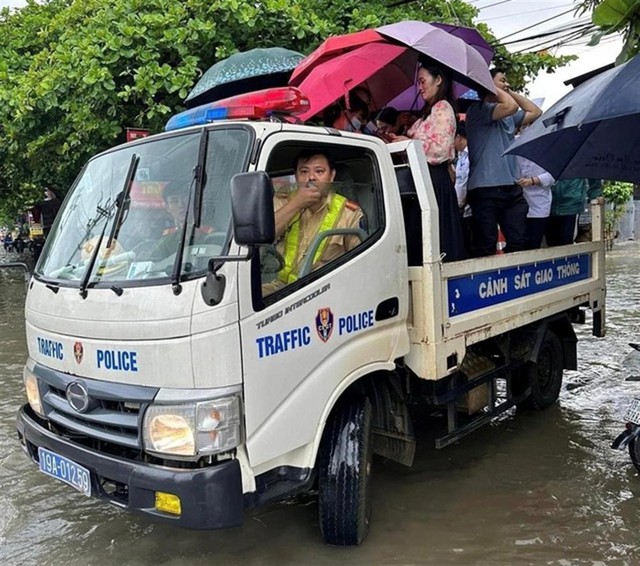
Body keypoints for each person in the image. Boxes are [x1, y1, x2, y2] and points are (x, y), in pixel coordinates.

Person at [387, 58, 466, 262]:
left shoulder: (442, 107)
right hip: (423, 180)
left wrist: (408, 142)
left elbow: (439, 149)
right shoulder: (429, 112)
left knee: (432, 239)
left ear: (438, 79)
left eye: (423, 81)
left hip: (432, 180)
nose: (420, 87)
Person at [465, 68, 542, 256]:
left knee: (518, 242)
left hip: (511, 187)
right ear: (488, 84)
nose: (506, 84)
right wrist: (489, 86)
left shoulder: (508, 116)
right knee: (486, 244)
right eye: (502, 80)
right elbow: (511, 106)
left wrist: (507, 90)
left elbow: (535, 111)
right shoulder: (477, 111)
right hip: (485, 189)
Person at [270, 149, 364, 288]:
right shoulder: (283, 200)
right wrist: (297, 203)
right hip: (282, 288)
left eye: (319, 171)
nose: (311, 178)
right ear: (296, 176)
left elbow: (361, 260)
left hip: (326, 288)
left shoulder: (349, 212)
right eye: (304, 172)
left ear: (331, 176)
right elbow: (265, 236)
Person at [546, 178, 601, 246]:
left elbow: (593, 173)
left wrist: (595, 197)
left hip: (571, 204)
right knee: (550, 243)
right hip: (548, 203)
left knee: (567, 242)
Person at [516, 157, 555, 249]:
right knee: (518, 242)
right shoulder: (515, 154)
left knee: (533, 242)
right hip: (517, 204)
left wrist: (533, 180)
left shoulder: (547, 153)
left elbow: (553, 176)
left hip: (539, 204)